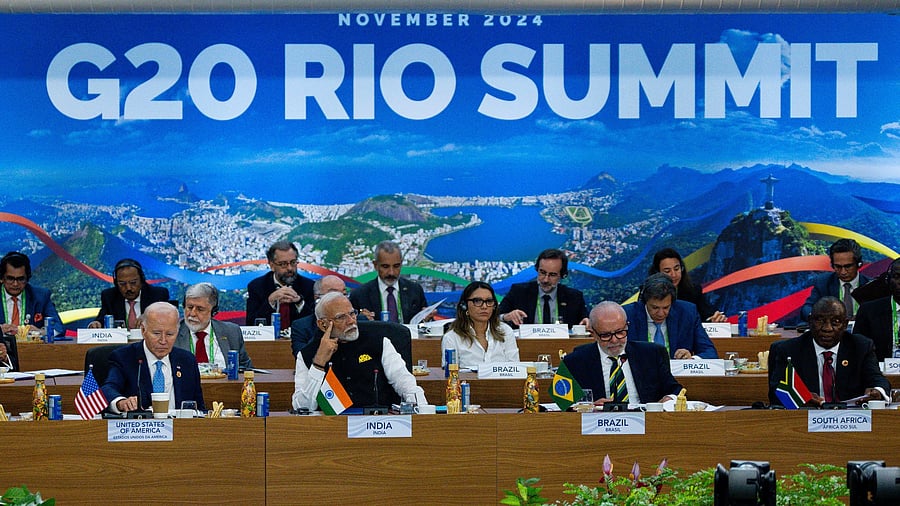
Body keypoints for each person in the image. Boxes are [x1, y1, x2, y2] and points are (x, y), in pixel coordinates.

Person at [292, 292, 427, 411]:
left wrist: (421, 409)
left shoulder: (380, 341)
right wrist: (318, 363)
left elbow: (405, 383)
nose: (351, 321)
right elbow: (302, 407)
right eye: (341, 317)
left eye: (352, 313)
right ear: (323, 324)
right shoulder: (307, 354)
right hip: (331, 427)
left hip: (378, 424)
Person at [768, 296, 889, 407]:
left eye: (835, 322)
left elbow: (877, 379)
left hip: (851, 420)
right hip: (806, 420)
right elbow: (776, 391)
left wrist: (877, 391)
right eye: (820, 321)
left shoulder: (861, 346)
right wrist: (800, 398)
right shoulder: (789, 350)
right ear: (810, 321)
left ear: (845, 324)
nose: (827, 328)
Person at [563, 301, 682, 406]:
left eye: (620, 332)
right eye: (606, 335)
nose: (614, 340)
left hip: (646, 424)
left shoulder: (652, 354)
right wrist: (589, 408)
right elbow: (561, 402)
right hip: (596, 426)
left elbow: (676, 391)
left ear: (627, 326)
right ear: (593, 333)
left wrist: (669, 399)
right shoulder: (574, 361)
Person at [101, 302, 205, 414]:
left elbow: (199, 407)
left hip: (180, 428)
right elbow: (108, 388)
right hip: (141, 428)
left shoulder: (187, 360)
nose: (163, 341)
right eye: (156, 333)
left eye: (170, 334)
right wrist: (121, 402)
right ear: (143, 331)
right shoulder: (124, 357)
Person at [624, 273, 718, 359]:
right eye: (655, 307)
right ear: (644, 301)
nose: (661, 313)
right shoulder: (627, 315)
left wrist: (691, 360)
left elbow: (710, 352)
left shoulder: (687, 313)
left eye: (666, 307)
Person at [497, 248, 589, 328]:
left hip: (563, 347)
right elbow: (494, 317)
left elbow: (585, 321)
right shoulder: (519, 292)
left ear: (562, 275)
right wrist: (505, 317)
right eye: (542, 272)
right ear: (537, 269)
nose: (545, 280)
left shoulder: (574, 297)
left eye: (552, 275)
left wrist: (587, 323)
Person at [175, 282, 252, 370]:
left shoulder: (231, 332)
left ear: (213, 312)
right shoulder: (174, 333)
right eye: (189, 307)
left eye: (200, 309)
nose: (192, 314)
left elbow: (246, 369)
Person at [291, 275, 372, 357]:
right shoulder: (302, 326)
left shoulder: (361, 321)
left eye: (344, 294)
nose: (341, 299)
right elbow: (301, 359)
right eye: (334, 294)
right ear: (317, 298)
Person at [441, 281, 519, 368]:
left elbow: (515, 368)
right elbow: (451, 375)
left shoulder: (505, 331)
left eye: (489, 301)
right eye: (477, 301)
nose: (484, 306)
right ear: (464, 305)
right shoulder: (452, 337)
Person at [349, 241, 427, 324]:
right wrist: (361, 319)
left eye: (396, 266)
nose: (391, 273)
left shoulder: (415, 290)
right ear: (375, 265)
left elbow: (423, 325)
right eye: (385, 267)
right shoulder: (360, 295)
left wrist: (426, 319)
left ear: (401, 264)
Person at [245, 241, 315, 329]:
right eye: (283, 264)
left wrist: (299, 302)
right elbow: (251, 324)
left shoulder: (309, 286)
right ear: (272, 265)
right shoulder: (257, 286)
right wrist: (270, 302)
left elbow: (315, 324)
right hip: (268, 341)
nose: (289, 268)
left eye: (293, 262)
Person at [88, 258, 170, 329]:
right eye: (122, 284)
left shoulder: (158, 295)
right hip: (119, 345)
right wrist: (96, 324)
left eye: (133, 282)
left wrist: (150, 318)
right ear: (116, 283)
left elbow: (167, 320)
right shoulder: (109, 296)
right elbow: (101, 319)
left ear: (142, 280)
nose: (128, 288)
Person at [801, 238, 871, 321]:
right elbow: (807, 308)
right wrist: (817, 318)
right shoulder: (822, 282)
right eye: (838, 267)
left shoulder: (870, 286)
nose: (843, 272)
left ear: (859, 264)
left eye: (848, 266)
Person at [649, 248, 726, 322]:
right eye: (667, 271)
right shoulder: (648, 293)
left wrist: (715, 319)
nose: (674, 275)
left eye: (676, 269)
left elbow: (706, 317)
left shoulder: (694, 291)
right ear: (657, 273)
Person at [0, 251, 63, 337]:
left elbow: (58, 328)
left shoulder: (41, 296)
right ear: (2, 278)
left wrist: (39, 332)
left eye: (20, 279)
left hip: (31, 349)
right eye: (10, 279)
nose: (15, 284)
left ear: (27, 278)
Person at [853, 257, 900, 360]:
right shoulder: (868, 311)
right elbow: (857, 350)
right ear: (888, 280)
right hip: (879, 373)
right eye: (897, 276)